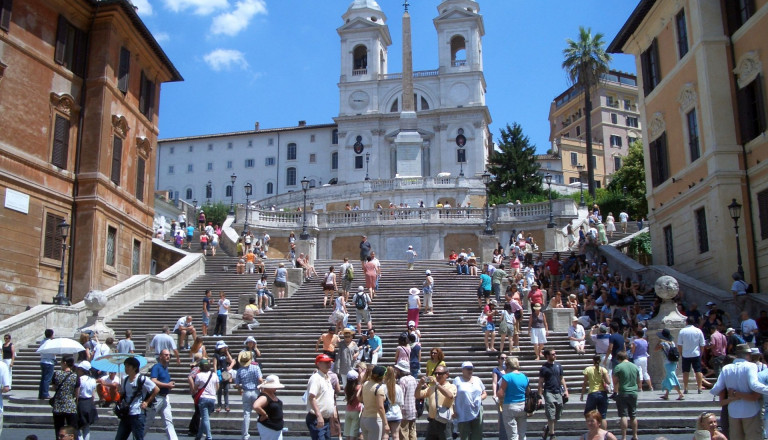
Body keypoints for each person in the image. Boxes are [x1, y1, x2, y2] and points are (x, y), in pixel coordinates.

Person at [115, 356, 159, 440]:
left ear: (135, 368)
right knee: (119, 437)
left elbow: (156, 389)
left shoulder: (142, 379)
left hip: (137, 414)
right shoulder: (125, 379)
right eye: (125, 366)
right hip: (126, 413)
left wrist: (146, 402)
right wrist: (119, 390)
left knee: (138, 437)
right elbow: (124, 394)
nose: (126, 368)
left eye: (128, 366)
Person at [145, 349, 178, 440]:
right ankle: (137, 437)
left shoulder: (165, 368)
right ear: (160, 356)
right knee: (148, 421)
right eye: (166, 355)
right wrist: (167, 385)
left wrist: (169, 384)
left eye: (169, 355)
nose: (168, 356)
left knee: (168, 421)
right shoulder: (157, 367)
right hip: (157, 397)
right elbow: (153, 380)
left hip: (165, 397)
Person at [416, 365, 457, 440]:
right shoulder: (431, 388)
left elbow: (449, 395)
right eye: (436, 373)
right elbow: (417, 395)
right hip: (432, 422)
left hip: (444, 421)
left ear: (446, 375)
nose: (437, 376)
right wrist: (419, 384)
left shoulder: (451, 386)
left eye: (440, 373)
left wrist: (437, 384)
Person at [538, 349, 568, 440]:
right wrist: (540, 396)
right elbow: (540, 382)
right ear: (547, 356)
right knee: (551, 413)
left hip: (558, 391)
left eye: (555, 353)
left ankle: (548, 427)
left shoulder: (558, 365)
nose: (555, 355)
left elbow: (562, 378)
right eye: (553, 354)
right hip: (549, 391)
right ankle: (552, 435)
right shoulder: (544, 368)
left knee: (558, 413)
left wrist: (566, 390)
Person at [453, 361, 486, 440]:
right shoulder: (457, 380)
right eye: (467, 369)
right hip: (463, 411)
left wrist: (480, 398)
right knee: (464, 436)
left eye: (471, 369)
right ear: (463, 370)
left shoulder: (477, 379)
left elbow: (484, 393)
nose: (470, 371)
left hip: (477, 410)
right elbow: (452, 396)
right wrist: (453, 410)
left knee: (477, 435)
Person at [306, 354, 336, 440]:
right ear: (318, 364)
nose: (329, 364)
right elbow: (312, 397)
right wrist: (319, 416)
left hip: (326, 419)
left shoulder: (327, 378)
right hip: (317, 418)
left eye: (330, 362)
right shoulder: (316, 378)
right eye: (326, 362)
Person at [235, 351, 263, 440]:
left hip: (246, 392)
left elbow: (237, 384)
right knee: (259, 413)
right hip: (255, 391)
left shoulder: (239, 371)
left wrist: (240, 390)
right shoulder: (256, 368)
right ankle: (262, 432)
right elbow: (260, 379)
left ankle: (245, 434)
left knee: (246, 414)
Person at [498, 356, 527, 440]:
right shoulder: (524, 376)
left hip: (510, 405)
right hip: (522, 405)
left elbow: (500, 393)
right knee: (522, 433)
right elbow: (527, 391)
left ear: (507, 365)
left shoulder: (507, 377)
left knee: (512, 434)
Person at [612, 351, 640, 440]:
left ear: (618, 359)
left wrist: (615, 391)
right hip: (633, 392)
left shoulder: (618, 367)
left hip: (623, 392)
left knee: (623, 415)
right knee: (633, 415)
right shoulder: (634, 366)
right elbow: (638, 380)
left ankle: (624, 437)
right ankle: (635, 435)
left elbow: (615, 381)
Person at [51, 356, 79, 437]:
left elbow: (53, 388)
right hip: (70, 405)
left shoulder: (56, 374)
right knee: (72, 430)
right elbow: (77, 393)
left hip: (58, 405)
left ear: (65, 363)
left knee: (59, 430)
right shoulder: (75, 376)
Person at [678, 316, 706, 394]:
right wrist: (701, 353)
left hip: (685, 354)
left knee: (685, 372)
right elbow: (702, 344)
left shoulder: (682, 331)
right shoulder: (698, 331)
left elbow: (679, 344)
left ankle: (686, 388)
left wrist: (681, 353)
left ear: (686, 322)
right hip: (696, 353)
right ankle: (699, 387)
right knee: (698, 371)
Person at [192, 359, 219, 440]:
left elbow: (195, 388)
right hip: (212, 398)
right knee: (205, 417)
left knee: (205, 418)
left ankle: (209, 436)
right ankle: (199, 435)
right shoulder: (214, 374)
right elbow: (217, 387)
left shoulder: (199, 375)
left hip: (203, 398)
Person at [581, 355, 610, 429]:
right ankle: (603, 433)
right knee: (603, 416)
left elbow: (585, 383)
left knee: (589, 414)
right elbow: (608, 382)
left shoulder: (588, 369)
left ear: (593, 360)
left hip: (592, 393)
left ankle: (593, 429)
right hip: (602, 393)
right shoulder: (603, 369)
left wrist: (582, 394)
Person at [655, 329, 685, 400]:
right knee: (668, 377)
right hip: (673, 362)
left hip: (667, 362)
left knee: (672, 377)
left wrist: (659, 342)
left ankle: (680, 393)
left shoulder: (663, 344)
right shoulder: (672, 342)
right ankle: (666, 394)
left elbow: (655, 349)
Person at [252, 375, 285, 440]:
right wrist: (264, 414)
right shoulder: (264, 396)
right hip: (268, 427)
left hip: (276, 427)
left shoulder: (272, 394)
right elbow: (256, 406)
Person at [395, 360, 418, 440]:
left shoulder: (402, 380)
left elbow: (400, 397)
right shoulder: (413, 379)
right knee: (412, 431)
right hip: (413, 409)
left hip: (404, 410)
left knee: (403, 432)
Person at [76, 361, 98, 440]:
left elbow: (77, 393)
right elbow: (93, 394)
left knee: (77, 426)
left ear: (82, 370)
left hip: (81, 402)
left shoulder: (79, 379)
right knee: (87, 426)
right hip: (89, 402)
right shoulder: (92, 380)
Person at [213, 341, 234, 413]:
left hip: (225, 372)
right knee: (219, 390)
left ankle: (227, 405)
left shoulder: (226, 354)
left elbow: (231, 361)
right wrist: (215, 373)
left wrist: (227, 352)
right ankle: (219, 405)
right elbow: (215, 364)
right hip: (219, 372)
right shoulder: (216, 355)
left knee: (226, 389)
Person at [383, 366, 403, 439]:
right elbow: (401, 403)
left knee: (385, 435)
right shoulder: (398, 388)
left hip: (386, 413)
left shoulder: (382, 387)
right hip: (396, 412)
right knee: (396, 435)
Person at [344, 370, 363, 440]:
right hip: (356, 410)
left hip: (348, 410)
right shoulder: (359, 387)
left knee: (347, 431)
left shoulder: (346, 388)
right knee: (353, 431)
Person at [38, 328, 55, 400]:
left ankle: (41, 393)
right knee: (47, 379)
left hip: (43, 361)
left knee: (43, 378)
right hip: (49, 362)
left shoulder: (42, 341)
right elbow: (53, 352)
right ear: (51, 335)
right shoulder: (51, 342)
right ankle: (45, 394)